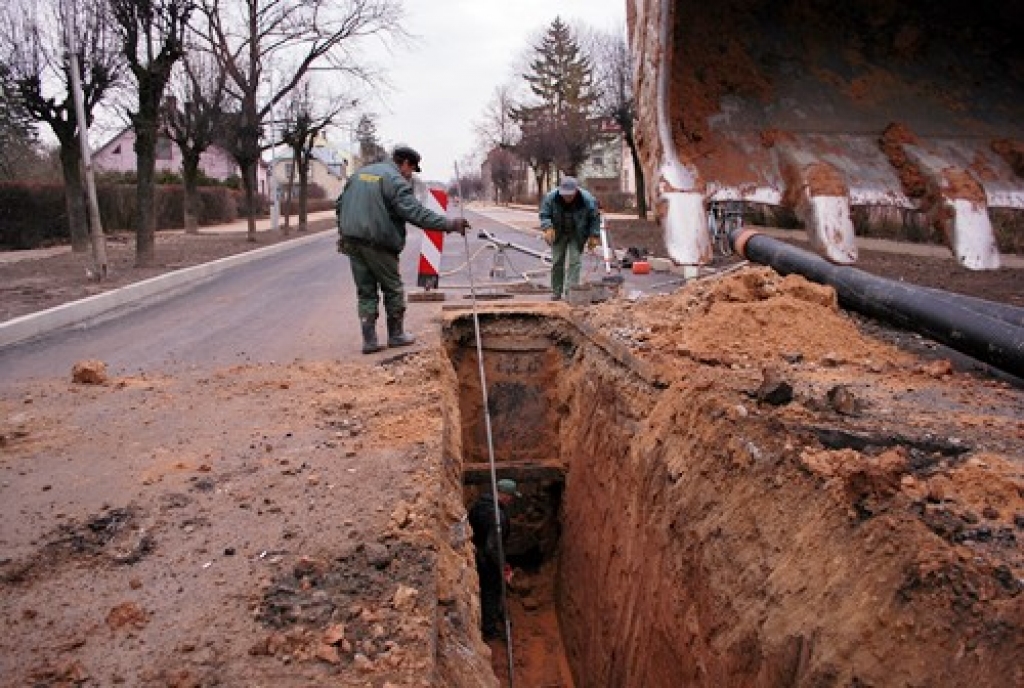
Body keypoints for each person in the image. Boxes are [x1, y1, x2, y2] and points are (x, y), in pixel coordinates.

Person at [336, 145, 470, 354]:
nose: (410, 176)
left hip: (352, 241)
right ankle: (396, 335)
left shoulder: (360, 174)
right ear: (405, 163)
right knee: (393, 288)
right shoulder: (394, 180)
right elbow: (416, 213)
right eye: (412, 170)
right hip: (377, 242)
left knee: (366, 291)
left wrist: (344, 231)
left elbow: (340, 204)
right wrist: (450, 224)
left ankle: (369, 341)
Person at [468, 478, 520, 640]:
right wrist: (503, 566)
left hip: (475, 550)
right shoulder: (499, 518)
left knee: (485, 589)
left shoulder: (480, 503)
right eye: (511, 497)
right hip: (487, 559)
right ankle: (489, 628)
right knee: (491, 591)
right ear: (505, 496)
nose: (511, 501)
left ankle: (492, 614)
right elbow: (492, 547)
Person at [539, 176, 602, 300]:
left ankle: (570, 293)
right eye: (565, 195)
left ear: (576, 191)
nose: (567, 198)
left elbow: (594, 218)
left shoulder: (587, 200)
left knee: (575, 262)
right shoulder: (551, 198)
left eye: (570, 195)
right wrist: (547, 227)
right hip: (559, 232)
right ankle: (556, 291)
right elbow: (544, 214)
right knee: (557, 262)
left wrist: (594, 235)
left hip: (577, 233)